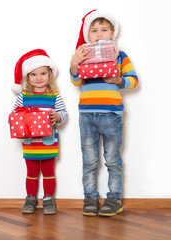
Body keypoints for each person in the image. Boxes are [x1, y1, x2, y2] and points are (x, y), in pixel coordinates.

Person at [70, 10, 138, 217]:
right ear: (87, 35)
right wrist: (74, 63)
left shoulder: (120, 55)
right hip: (87, 115)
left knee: (112, 160)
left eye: (104, 30)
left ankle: (114, 198)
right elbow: (76, 81)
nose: (99, 34)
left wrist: (119, 81)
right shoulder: (83, 54)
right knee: (89, 161)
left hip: (111, 115)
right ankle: (90, 198)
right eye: (94, 30)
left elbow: (133, 80)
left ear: (112, 34)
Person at [11, 49, 68, 215]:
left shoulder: (54, 96)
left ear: (50, 75)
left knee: (49, 172)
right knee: (32, 173)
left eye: (43, 73)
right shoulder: (23, 96)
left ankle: (49, 198)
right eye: (34, 74)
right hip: (30, 143)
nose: (39, 78)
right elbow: (13, 116)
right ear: (27, 77)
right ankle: (30, 198)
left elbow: (64, 115)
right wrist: (16, 118)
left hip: (49, 142)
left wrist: (57, 116)